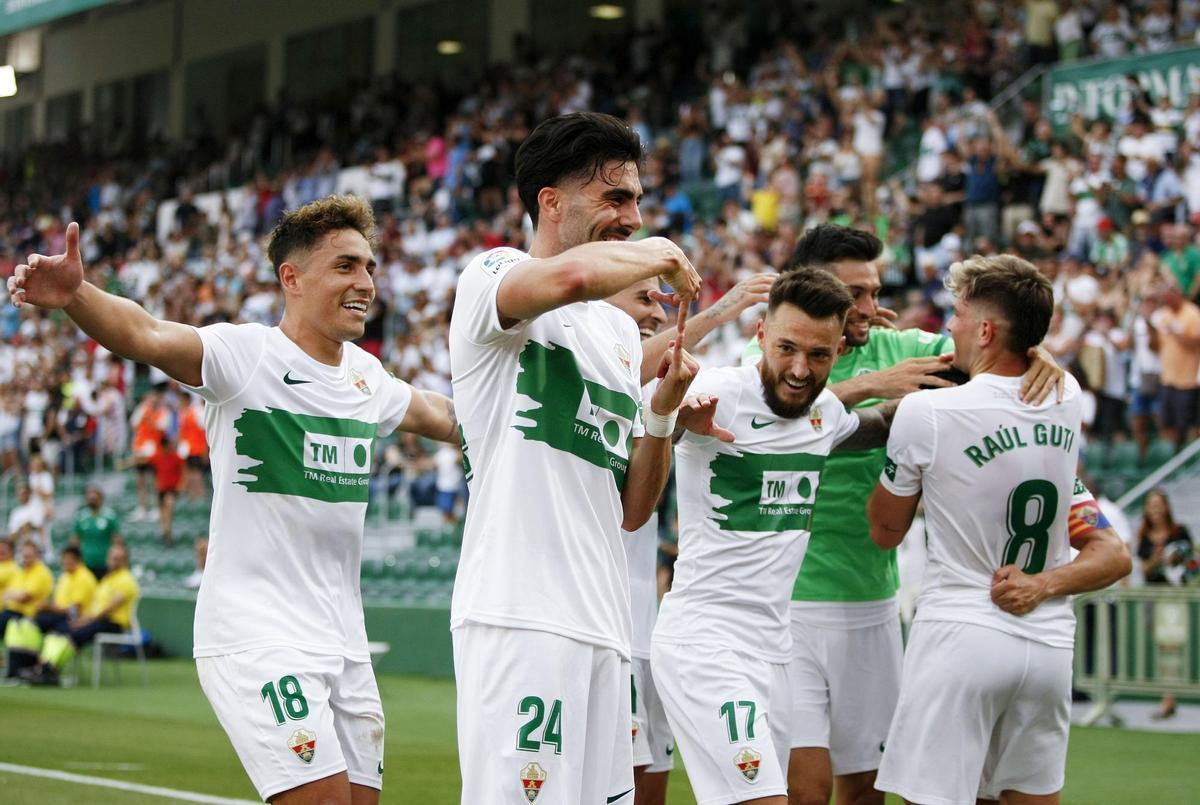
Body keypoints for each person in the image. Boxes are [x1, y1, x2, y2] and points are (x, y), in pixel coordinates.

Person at [8, 194, 459, 805]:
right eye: (347, 265)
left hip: (344, 640)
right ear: (291, 279)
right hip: (257, 631)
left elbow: (441, 414)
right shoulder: (246, 356)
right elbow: (146, 334)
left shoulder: (366, 377)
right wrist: (77, 296)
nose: (366, 283)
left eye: (370, 267)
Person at [742, 225, 1062, 805]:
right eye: (853, 293)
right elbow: (771, 421)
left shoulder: (907, 348)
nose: (868, 306)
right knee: (803, 789)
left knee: (866, 790)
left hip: (872, 599)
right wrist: (873, 386)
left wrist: (1042, 356)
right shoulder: (770, 353)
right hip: (785, 603)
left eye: (873, 291)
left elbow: (994, 349)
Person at [448, 111, 706, 805]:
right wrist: (659, 253)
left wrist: (662, 412)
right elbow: (567, 280)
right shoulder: (496, 276)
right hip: (520, 614)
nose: (632, 216)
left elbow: (631, 508)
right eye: (614, 198)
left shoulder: (619, 338)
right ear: (551, 203)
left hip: (603, 625)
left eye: (637, 201)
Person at [867, 255, 1131, 805]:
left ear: (985, 330)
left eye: (958, 316)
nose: (949, 328)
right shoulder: (1067, 396)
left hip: (962, 630)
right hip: (1048, 643)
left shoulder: (928, 413)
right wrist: (1038, 350)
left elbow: (885, 529)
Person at [653, 269, 901, 805]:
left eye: (818, 355)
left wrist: (995, 379)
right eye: (787, 347)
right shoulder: (720, 391)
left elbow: (875, 425)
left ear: (838, 350)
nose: (798, 369)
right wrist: (675, 423)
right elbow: (641, 428)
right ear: (761, 334)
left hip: (774, 653)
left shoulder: (825, 413)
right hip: (705, 643)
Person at [605, 272, 773, 805]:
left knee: (651, 788)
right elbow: (637, 370)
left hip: (649, 627)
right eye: (644, 298)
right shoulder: (598, 376)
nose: (658, 311)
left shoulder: (654, 393)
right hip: (600, 624)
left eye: (663, 301)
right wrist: (719, 313)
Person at [22, 542, 141, 687]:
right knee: (62, 628)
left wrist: (84, 622)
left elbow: (107, 610)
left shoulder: (126, 581)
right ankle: (44, 667)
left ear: (125, 561)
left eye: (117, 558)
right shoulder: (107, 579)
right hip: (98, 620)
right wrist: (83, 619)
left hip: (113, 623)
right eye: (111, 557)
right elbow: (95, 608)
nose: (113, 561)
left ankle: (49, 669)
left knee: (74, 632)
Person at [1136, 489, 1194, 719]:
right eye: (1151, 504)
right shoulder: (1144, 536)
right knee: (1162, 646)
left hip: (1174, 595)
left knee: (1172, 645)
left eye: (1159, 504)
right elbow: (1144, 569)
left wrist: (1177, 560)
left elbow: (1192, 561)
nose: (1155, 508)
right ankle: (1168, 696)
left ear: (1167, 507)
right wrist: (1156, 559)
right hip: (1153, 594)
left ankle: (1169, 699)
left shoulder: (1180, 532)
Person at [34, 545, 97, 634]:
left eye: (68, 559)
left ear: (77, 560)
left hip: (79, 618)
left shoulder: (84, 577)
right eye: (63, 559)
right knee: (38, 618)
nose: (64, 561)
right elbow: (58, 603)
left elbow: (74, 610)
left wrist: (50, 608)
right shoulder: (65, 577)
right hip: (62, 614)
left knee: (44, 621)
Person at [0, 539, 54, 636]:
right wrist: (13, 595)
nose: (25, 559)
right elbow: (9, 594)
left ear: (37, 555)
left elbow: (24, 597)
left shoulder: (41, 572)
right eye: (24, 556)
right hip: (14, 611)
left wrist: (12, 595)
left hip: (27, 615)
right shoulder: (24, 571)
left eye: (28, 556)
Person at [71, 483, 122, 581]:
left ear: (101, 497)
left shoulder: (110, 516)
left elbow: (116, 540)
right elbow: (75, 540)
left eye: (95, 494)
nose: (92, 496)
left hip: (104, 563)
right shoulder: (81, 516)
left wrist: (114, 561)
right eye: (89, 494)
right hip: (86, 563)